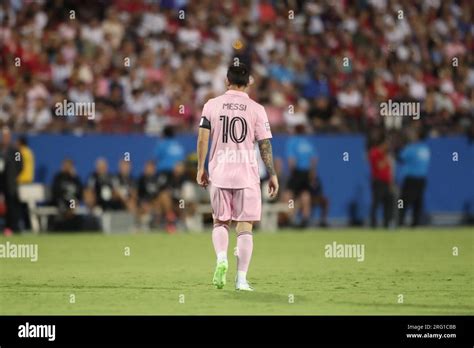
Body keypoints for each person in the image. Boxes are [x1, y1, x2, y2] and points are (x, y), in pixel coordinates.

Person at [196, 62, 279, 291]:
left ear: (226, 80)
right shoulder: (256, 109)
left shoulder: (211, 105)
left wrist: (200, 168)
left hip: (220, 173)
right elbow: (264, 145)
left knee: (220, 222)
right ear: (249, 82)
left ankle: (221, 257)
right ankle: (241, 280)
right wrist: (272, 174)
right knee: (245, 228)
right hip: (247, 176)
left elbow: (203, 138)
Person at [283, 124, 329, 227]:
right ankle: (305, 219)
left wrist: (291, 173)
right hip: (307, 172)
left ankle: (289, 218)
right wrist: (312, 174)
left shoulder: (292, 142)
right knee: (305, 195)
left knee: (288, 194)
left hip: (297, 172)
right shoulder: (308, 143)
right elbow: (314, 160)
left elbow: (292, 161)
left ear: (295, 131)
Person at [398, 131, 431, 227]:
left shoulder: (410, 148)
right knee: (418, 201)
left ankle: (400, 221)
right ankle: (415, 223)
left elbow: (401, 158)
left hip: (410, 179)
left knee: (403, 201)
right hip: (422, 179)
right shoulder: (425, 149)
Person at [0, 127, 23, 235]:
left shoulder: (15, 151)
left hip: (9, 183)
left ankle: (11, 227)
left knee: (11, 205)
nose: (5, 138)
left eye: (7, 136)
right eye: (3, 136)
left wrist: (13, 174)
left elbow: (20, 164)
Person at [368, 137, 394, 228]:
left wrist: (391, 183)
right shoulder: (374, 153)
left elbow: (389, 170)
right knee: (376, 203)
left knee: (389, 203)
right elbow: (380, 166)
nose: (388, 146)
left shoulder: (384, 154)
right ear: (382, 144)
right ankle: (373, 224)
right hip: (378, 182)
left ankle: (387, 223)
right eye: (386, 144)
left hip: (387, 182)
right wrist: (386, 159)